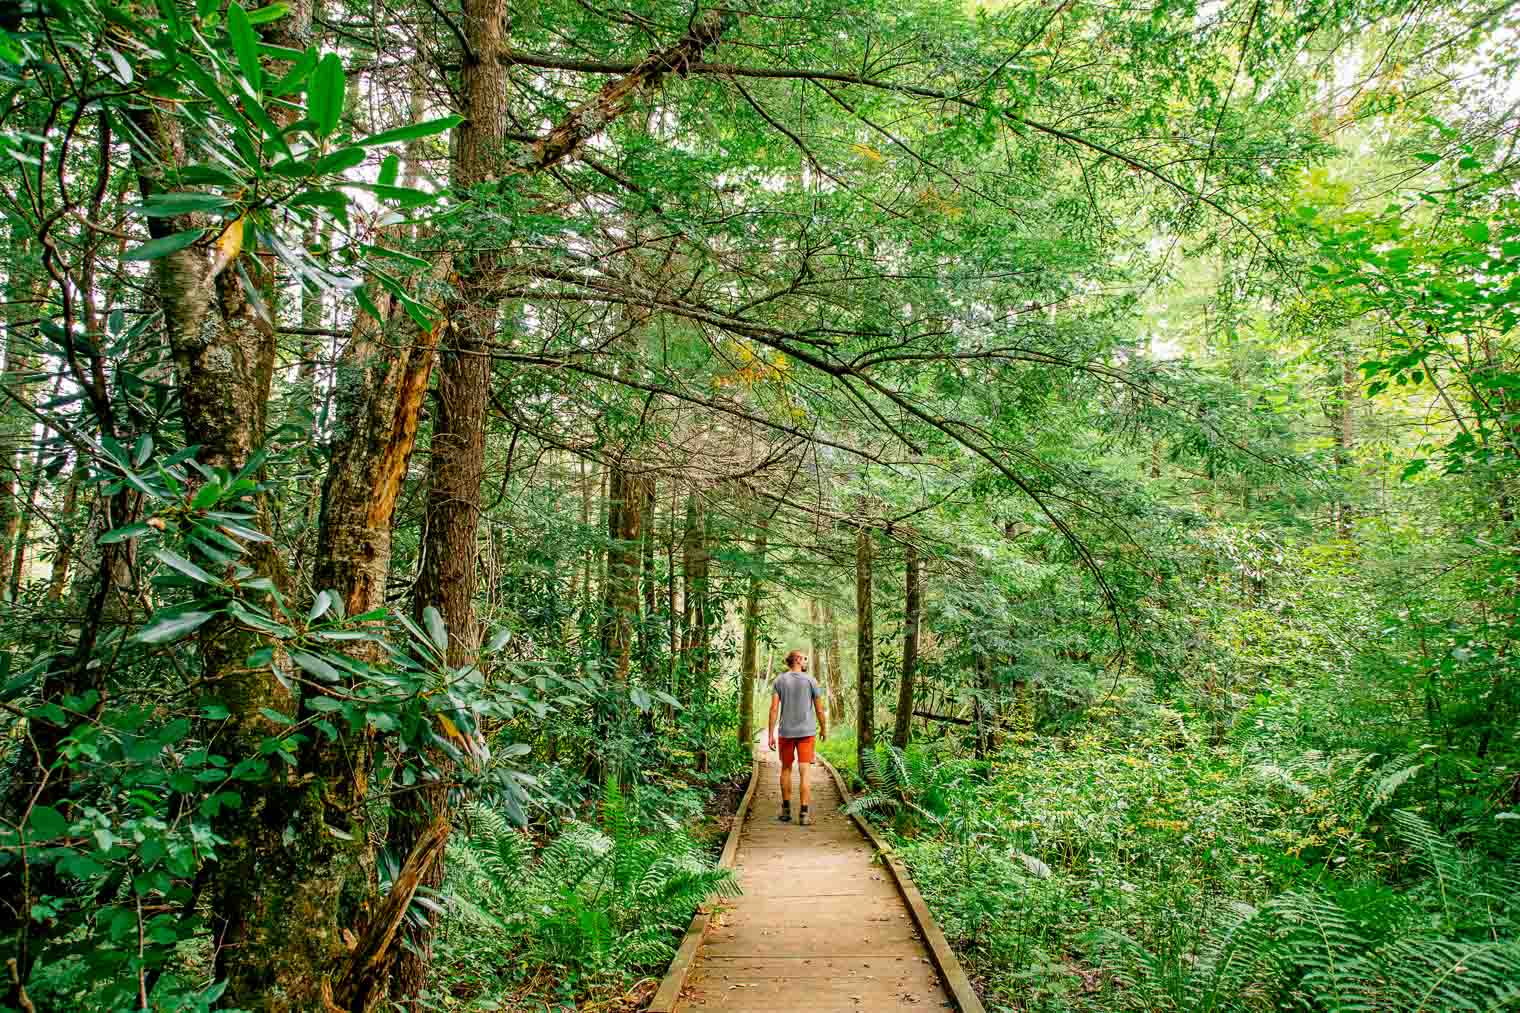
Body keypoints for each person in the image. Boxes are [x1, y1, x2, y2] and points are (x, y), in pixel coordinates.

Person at [767, 649, 828, 825]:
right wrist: (823, 728)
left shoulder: (779, 680)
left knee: (786, 769)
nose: (806, 661)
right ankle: (804, 814)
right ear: (798, 660)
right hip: (806, 733)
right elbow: (819, 709)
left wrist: (770, 734)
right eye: (805, 658)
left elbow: (773, 709)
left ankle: (786, 812)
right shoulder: (811, 681)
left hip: (786, 732)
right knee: (805, 772)